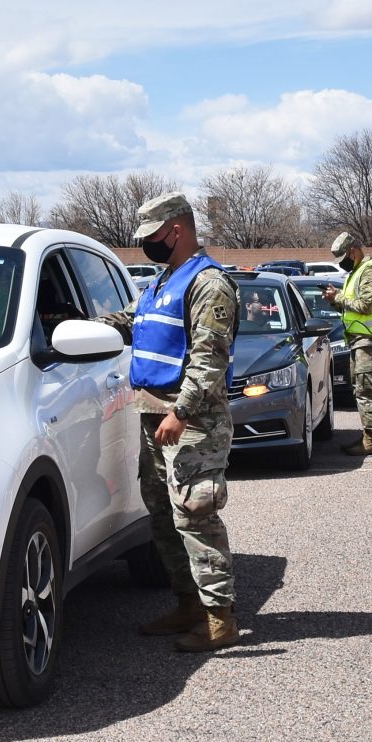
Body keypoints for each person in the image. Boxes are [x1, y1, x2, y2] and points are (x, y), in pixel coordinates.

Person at [97, 192, 240, 653]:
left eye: (152, 235)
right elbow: (133, 321)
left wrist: (181, 412)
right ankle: (189, 605)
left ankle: (220, 618)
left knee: (196, 514)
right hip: (154, 413)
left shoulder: (208, 283)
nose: (147, 245)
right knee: (162, 515)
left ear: (175, 230)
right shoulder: (163, 282)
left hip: (191, 419)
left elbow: (209, 358)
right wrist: (76, 324)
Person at [324, 232, 372, 456]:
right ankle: (368, 436)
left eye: (343, 257)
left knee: (368, 390)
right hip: (360, 339)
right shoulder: (357, 272)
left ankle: (371, 441)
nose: (341, 263)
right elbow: (353, 307)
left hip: (370, 339)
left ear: (353, 250)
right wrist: (335, 300)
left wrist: (339, 298)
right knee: (362, 389)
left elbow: (365, 306)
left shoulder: (370, 272)